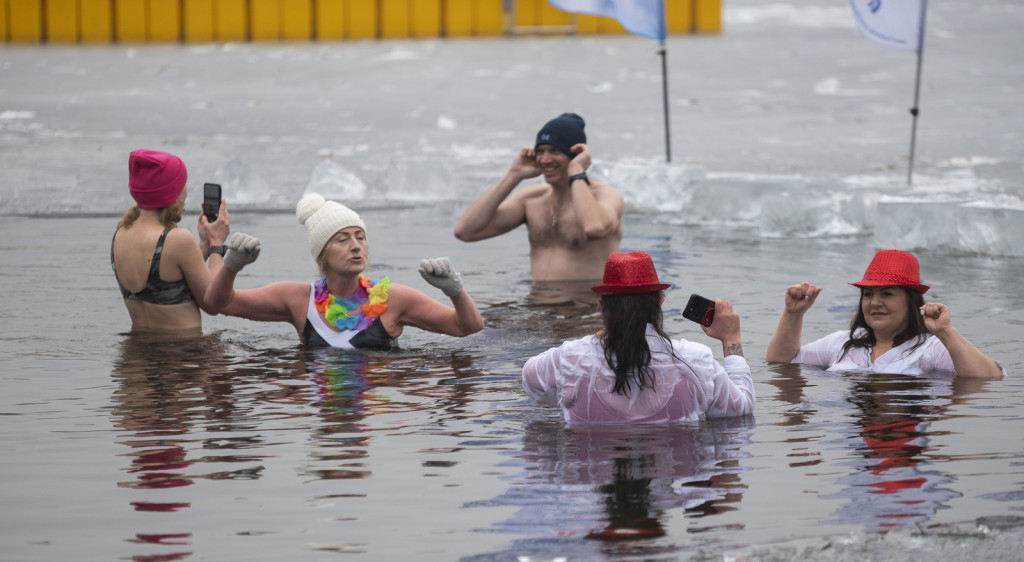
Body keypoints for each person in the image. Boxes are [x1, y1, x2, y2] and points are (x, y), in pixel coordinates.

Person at [203, 193, 484, 350]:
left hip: (373, 410)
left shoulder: (393, 299)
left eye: (360, 237)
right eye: (343, 239)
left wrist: (455, 290)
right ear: (322, 253)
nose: (356, 246)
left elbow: (468, 327)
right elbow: (219, 303)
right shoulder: (298, 298)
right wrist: (231, 265)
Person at [521, 251, 755, 424]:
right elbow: (742, 408)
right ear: (660, 304)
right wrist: (731, 339)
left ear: (602, 307)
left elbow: (530, 380)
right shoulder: (695, 361)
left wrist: (601, 336)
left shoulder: (570, 358)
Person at [765, 249, 1004, 378]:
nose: (874, 303)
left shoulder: (930, 348)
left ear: (911, 302)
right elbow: (781, 361)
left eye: (887, 294)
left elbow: (988, 377)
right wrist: (793, 314)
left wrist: (946, 332)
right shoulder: (843, 342)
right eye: (868, 294)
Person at [453, 112, 624, 282]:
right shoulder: (532, 199)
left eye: (554, 151)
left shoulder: (606, 195)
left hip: (586, 304)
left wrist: (576, 170)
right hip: (536, 304)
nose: (545, 160)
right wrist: (514, 175)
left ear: (574, 156)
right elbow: (465, 232)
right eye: (540, 151)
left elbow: (594, 227)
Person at [111, 149, 231, 334]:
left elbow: (173, 275)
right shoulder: (178, 240)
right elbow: (214, 303)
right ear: (171, 192)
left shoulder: (120, 234)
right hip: (180, 355)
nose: (186, 191)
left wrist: (204, 245)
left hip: (135, 355)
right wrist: (216, 244)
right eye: (183, 184)